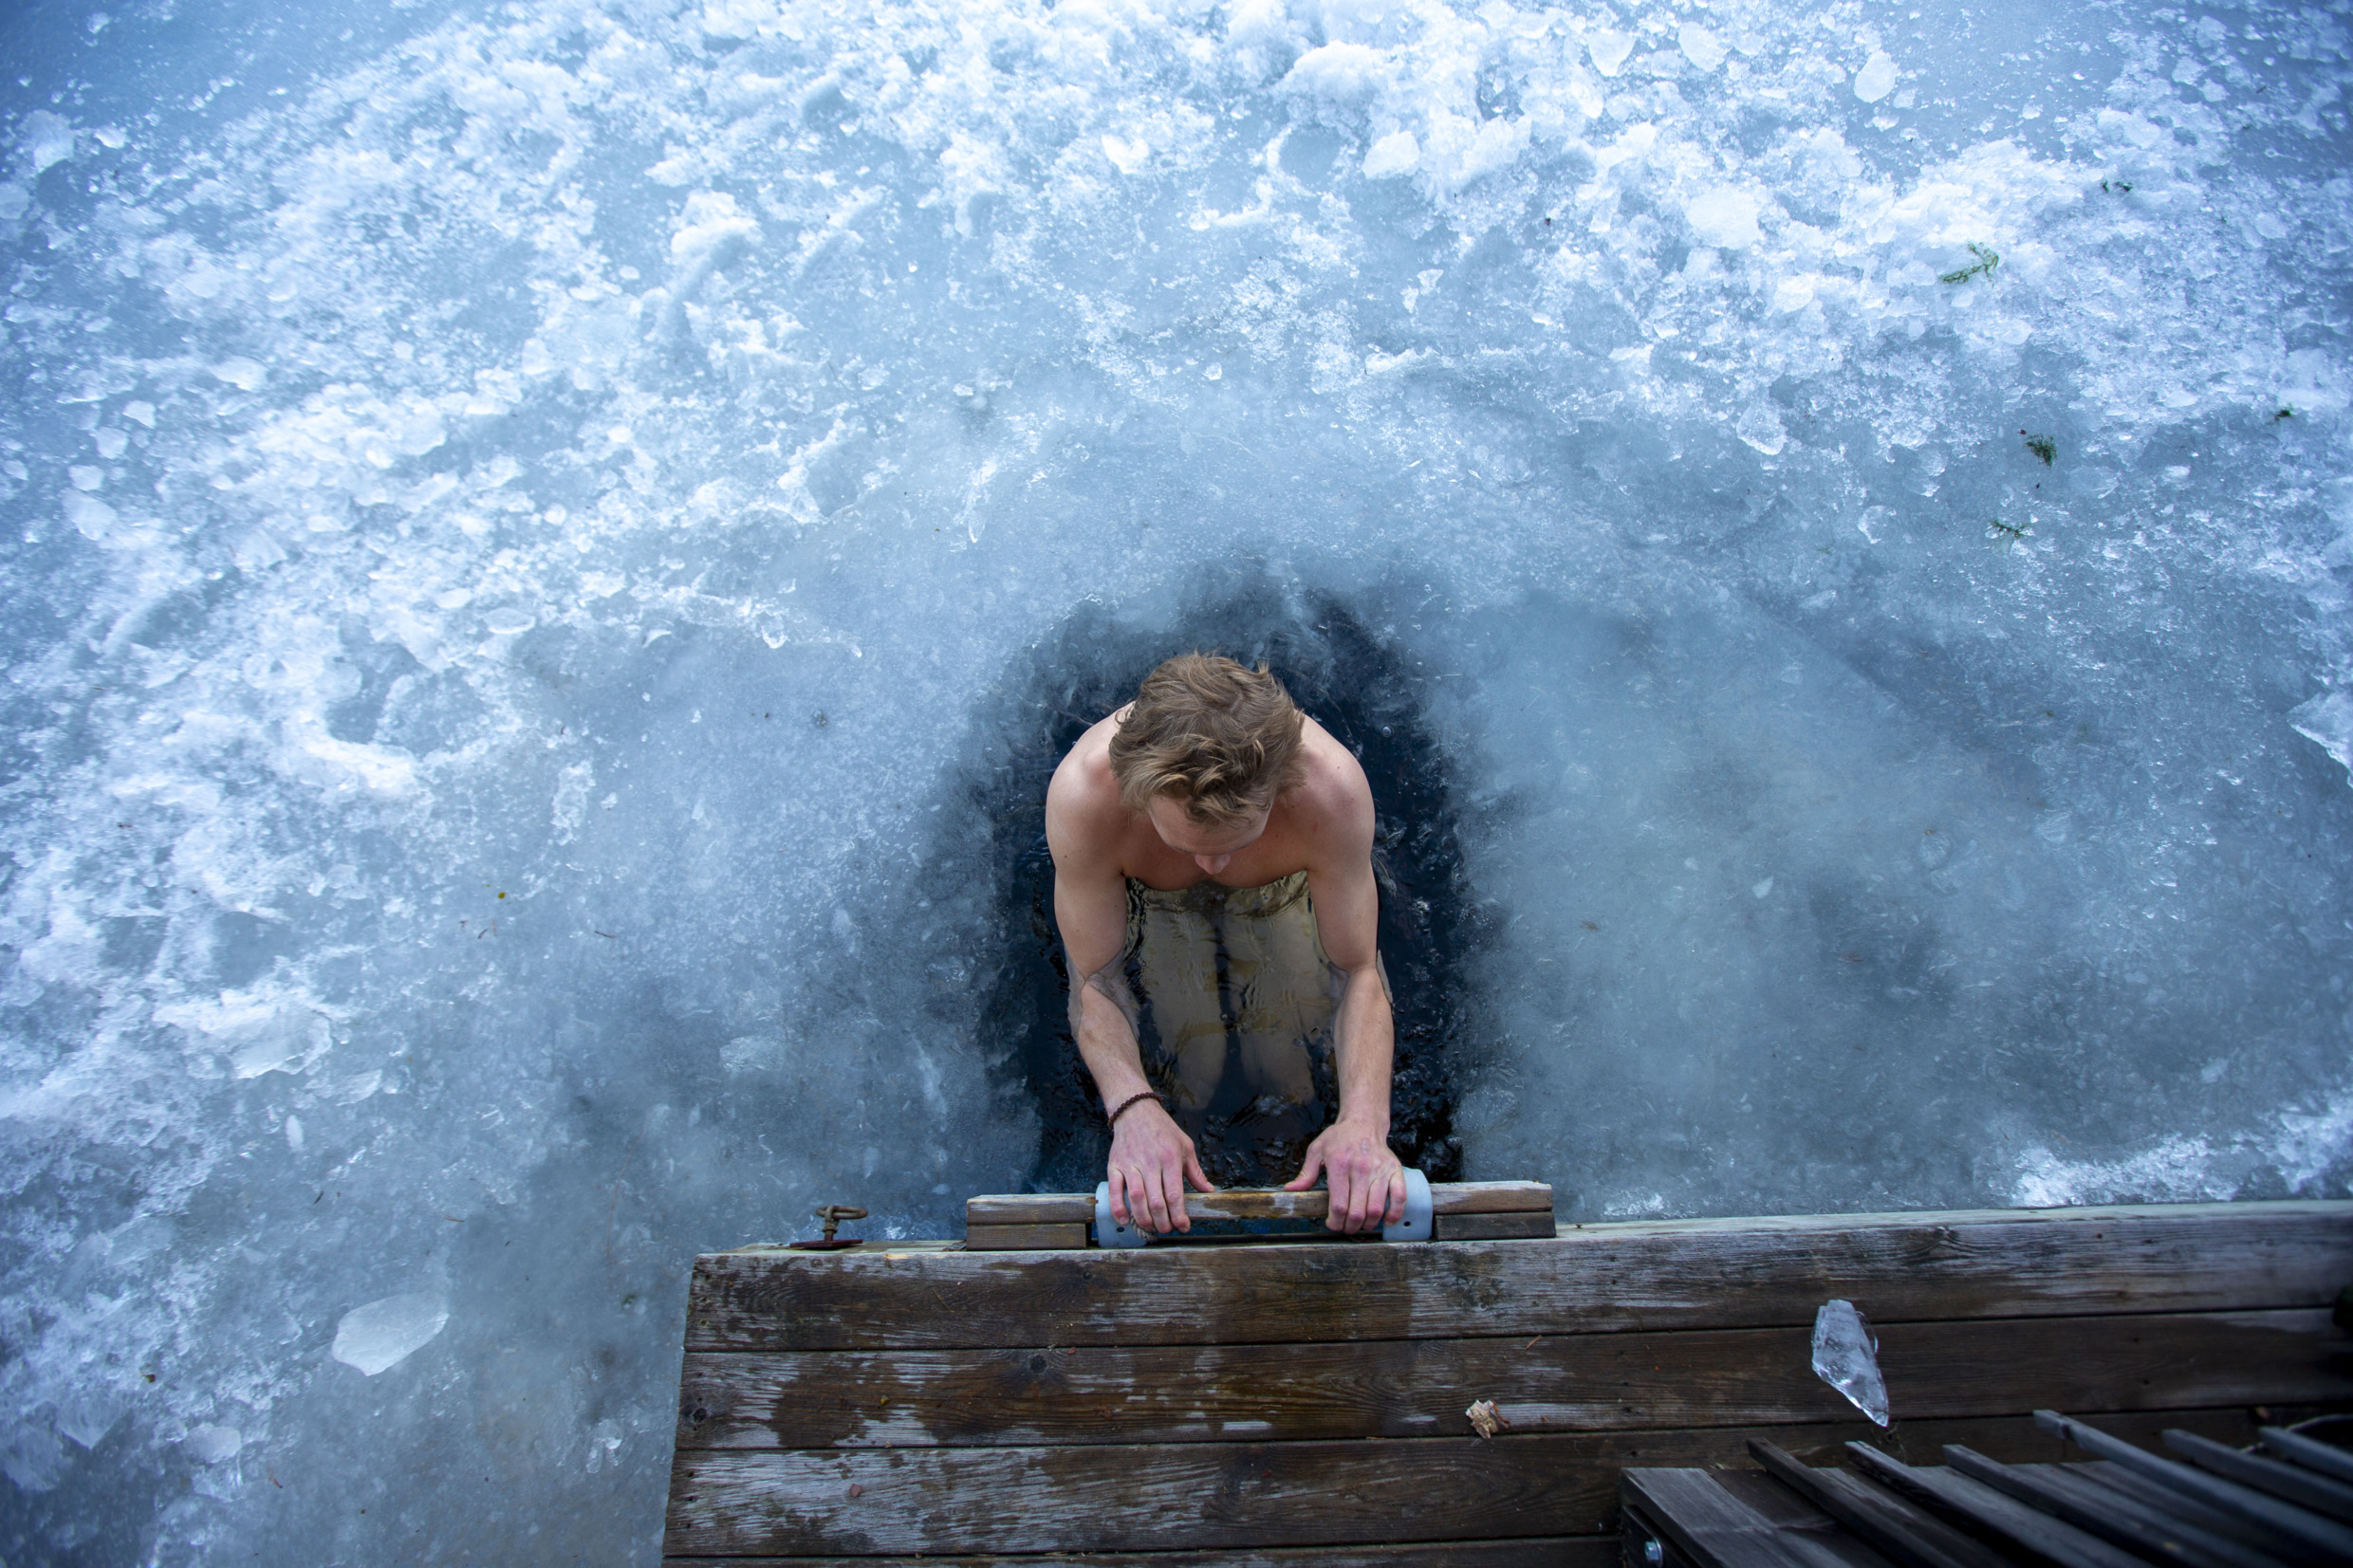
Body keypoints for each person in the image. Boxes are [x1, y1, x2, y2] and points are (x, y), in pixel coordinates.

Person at [1045, 653, 1406, 1235]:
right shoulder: (1088, 798)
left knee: (1289, 1074)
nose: (1213, 865)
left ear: (1281, 787)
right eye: (1186, 843)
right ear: (1140, 795)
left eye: (1238, 841)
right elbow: (1095, 979)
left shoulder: (1328, 790)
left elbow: (1359, 970)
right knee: (1189, 1073)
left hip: (1279, 893)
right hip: (1158, 902)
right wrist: (1133, 1111)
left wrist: (1365, 1124)